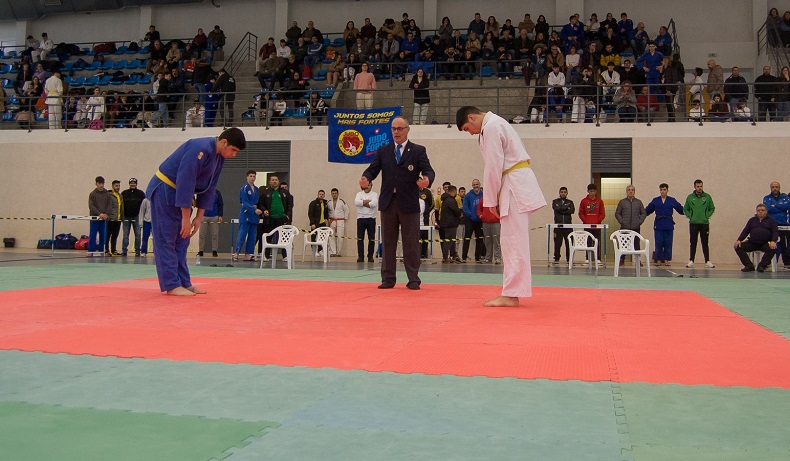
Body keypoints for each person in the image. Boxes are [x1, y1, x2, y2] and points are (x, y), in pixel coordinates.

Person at [456, 106, 546, 306]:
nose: (470, 133)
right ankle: (511, 291)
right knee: (510, 240)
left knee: (513, 240)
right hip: (513, 182)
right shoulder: (493, 124)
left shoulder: (492, 126)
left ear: (472, 117)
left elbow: (493, 165)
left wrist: (490, 202)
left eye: (466, 128)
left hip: (513, 184)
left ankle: (512, 294)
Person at [146, 128, 246, 296]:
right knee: (167, 238)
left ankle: (184, 282)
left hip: (179, 194)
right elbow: (186, 180)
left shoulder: (218, 158)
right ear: (224, 142)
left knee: (182, 239)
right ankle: (171, 284)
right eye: (233, 150)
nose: (234, 155)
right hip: (164, 189)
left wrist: (198, 217)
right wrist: (186, 217)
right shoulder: (198, 147)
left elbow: (209, 188)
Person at [360, 116, 435, 290]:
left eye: (400, 129)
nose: (396, 132)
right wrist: (366, 178)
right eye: (393, 129)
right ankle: (388, 278)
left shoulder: (417, 151)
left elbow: (429, 170)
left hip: (408, 202)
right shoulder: (383, 150)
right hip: (388, 202)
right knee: (387, 242)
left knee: (411, 242)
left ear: (408, 130)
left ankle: (413, 279)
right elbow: (372, 169)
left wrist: (427, 180)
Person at [645, 183, 684, 266]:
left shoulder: (672, 200)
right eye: (661, 190)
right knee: (658, 242)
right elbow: (648, 210)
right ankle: (658, 259)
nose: (662, 191)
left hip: (668, 223)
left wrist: (689, 211)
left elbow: (680, 209)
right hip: (658, 224)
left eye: (664, 190)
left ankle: (666, 259)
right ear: (660, 190)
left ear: (667, 190)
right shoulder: (655, 200)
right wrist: (641, 213)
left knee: (668, 242)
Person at [734, 204, 779, 272]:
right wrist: (739, 240)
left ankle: (762, 266)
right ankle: (749, 265)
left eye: (762, 210)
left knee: (772, 248)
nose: (760, 212)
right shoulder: (752, 220)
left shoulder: (771, 221)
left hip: (765, 243)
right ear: (756, 211)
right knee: (738, 246)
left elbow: (775, 232)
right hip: (752, 243)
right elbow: (745, 231)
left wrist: (773, 241)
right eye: (758, 210)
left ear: (766, 211)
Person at [257, 175, 293, 260]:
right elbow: (260, 203)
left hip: (282, 218)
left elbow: (290, 204)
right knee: (268, 237)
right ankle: (266, 255)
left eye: (276, 180)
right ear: (270, 182)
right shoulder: (266, 193)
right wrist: (264, 210)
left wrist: (288, 215)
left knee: (283, 237)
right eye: (272, 180)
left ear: (278, 181)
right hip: (270, 219)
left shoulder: (285, 192)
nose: (274, 181)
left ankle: (285, 256)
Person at [684, 179, 716, 268]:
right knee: (693, 242)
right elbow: (685, 208)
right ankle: (691, 260)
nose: (699, 188)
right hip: (693, 223)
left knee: (705, 242)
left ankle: (707, 261)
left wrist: (707, 215)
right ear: (694, 187)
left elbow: (712, 208)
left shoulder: (707, 197)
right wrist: (690, 216)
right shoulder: (690, 197)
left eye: (701, 186)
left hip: (704, 223)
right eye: (698, 186)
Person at [614, 185, 647, 265]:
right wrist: (622, 221)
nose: (630, 191)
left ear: (634, 192)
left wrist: (639, 221)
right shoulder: (622, 202)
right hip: (625, 227)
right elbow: (617, 213)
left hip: (636, 227)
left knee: (636, 244)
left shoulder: (638, 202)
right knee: (624, 244)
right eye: (629, 190)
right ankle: (622, 259)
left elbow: (643, 213)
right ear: (627, 192)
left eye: (632, 190)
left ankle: (637, 260)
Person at [234, 170, 260, 262]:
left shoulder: (256, 189)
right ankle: (236, 253)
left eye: (254, 176)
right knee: (242, 234)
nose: (252, 178)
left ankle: (248, 254)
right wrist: (254, 209)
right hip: (246, 213)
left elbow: (257, 202)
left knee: (252, 235)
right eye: (250, 176)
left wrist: (260, 210)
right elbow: (244, 202)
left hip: (254, 215)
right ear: (247, 177)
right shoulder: (244, 188)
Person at [763, 181, 790, 269]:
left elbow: (787, 206)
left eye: (777, 187)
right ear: (770, 188)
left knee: (783, 244)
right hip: (771, 224)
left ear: (779, 188)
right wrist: (780, 206)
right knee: (772, 243)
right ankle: (768, 262)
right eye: (773, 187)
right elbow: (768, 208)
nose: (775, 189)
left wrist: (775, 205)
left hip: (783, 224)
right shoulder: (766, 198)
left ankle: (787, 263)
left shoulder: (785, 197)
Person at [579, 183, 605, 265]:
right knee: (588, 242)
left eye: (593, 191)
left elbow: (602, 213)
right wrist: (585, 221)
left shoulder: (600, 201)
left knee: (597, 242)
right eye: (590, 191)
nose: (592, 193)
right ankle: (588, 258)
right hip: (587, 226)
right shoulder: (584, 201)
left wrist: (598, 221)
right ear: (588, 191)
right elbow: (581, 213)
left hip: (597, 226)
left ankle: (598, 259)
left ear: (596, 191)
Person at [462, 179, 486, 262]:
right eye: (474, 184)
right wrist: (471, 215)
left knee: (479, 239)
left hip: (479, 220)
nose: (476, 186)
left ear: (479, 185)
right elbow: (465, 207)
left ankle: (477, 257)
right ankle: (464, 257)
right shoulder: (468, 195)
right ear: (472, 186)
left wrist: (482, 216)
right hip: (470, 220)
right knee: (467, 238)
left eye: (477, 184)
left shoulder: (483, 195)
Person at [121, 178, 146, 257]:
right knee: (125, 235)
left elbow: (144, 206)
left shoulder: (141, 193)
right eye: (131, 183)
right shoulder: (124, 193)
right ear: (129, 184)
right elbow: (121, 205)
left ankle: (137, 251)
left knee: (138, 235)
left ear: (136, 184)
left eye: (134, 183)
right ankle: (124, 251)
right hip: (126, 217)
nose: (132, 184)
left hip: (137, 217)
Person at [355, 179, 379, 263]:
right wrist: (367, 202)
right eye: (366, 185)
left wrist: (362, 203)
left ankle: (370, 256)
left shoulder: (374, 194)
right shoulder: (359, 194)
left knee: (371, 239)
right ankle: (360, 256)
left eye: (369, 185)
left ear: (371, 185)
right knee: (360, 239)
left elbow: (374, 204)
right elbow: (356, 202)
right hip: (360, 218)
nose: (367, 187)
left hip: (371, 218)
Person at [88, 176, 113, 255]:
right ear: (96, 184)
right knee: (93, 235)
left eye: (102, 183)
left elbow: (110, 205)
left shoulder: (108, 194)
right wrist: (99, 214)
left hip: (104, 219)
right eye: (99, 183)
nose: (101, 185)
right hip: (95, 219)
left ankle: (102, 251)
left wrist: (106, 214)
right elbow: (91, 206)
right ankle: (91, 251)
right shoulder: (92, 194)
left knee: (103, 235)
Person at [439, 185, 462, 263]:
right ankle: (445, 257)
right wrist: (460, 214)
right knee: (448, 241)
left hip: (448, 223)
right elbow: (456, 210)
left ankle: (454, 255)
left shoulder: (445, 200)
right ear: (453, 191)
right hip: (450, 223)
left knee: (451, 240)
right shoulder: (450, 200)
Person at [552, 186, 575, 264]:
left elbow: (572, 211)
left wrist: (561, 209)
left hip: (568, 227)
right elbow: (556, 209)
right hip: (558, 227)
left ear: (567, 193)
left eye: (564, 192)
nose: (563, 193)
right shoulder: (555, 201)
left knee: (569, 243)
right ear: (559, 193)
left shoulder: (570, 202)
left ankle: (569, 259)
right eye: (561, 192)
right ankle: (556, 259)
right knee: (557, 243)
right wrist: (566, 208)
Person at [198, 190, 223, 257]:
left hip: (214, 216)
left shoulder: (217, 192)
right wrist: (198, 216)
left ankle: (214, 251)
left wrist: (220, 215)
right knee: (201, 235)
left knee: (215, 235)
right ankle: (201, 251)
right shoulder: (202, 191)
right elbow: (199, 203)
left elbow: (220, 204)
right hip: (203, 216)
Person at [327, 188, 349, 257]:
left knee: (340, 236)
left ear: (338, 194)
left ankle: (338, 252)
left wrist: (344, 218)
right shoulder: (329, 202)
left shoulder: (342, 202)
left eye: (335, 193)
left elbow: (347, 210)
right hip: (331, 220)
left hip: (340, 221)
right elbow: (326, 212)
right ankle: (333, 252)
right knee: (331, 236)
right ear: (331, 194)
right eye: (333, 193)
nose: (334, 195)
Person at [106, 180, 124, 256]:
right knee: (108, 235)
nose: (118, 187)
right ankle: (106, 250)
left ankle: (114, 250)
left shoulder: (120, 196)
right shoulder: (109, 195)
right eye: (116, 186)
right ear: (113, 186)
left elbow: (121, 207)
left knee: (115, 236)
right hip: (111, 219)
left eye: (119, 186)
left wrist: (122, 217)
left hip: (118, 219)